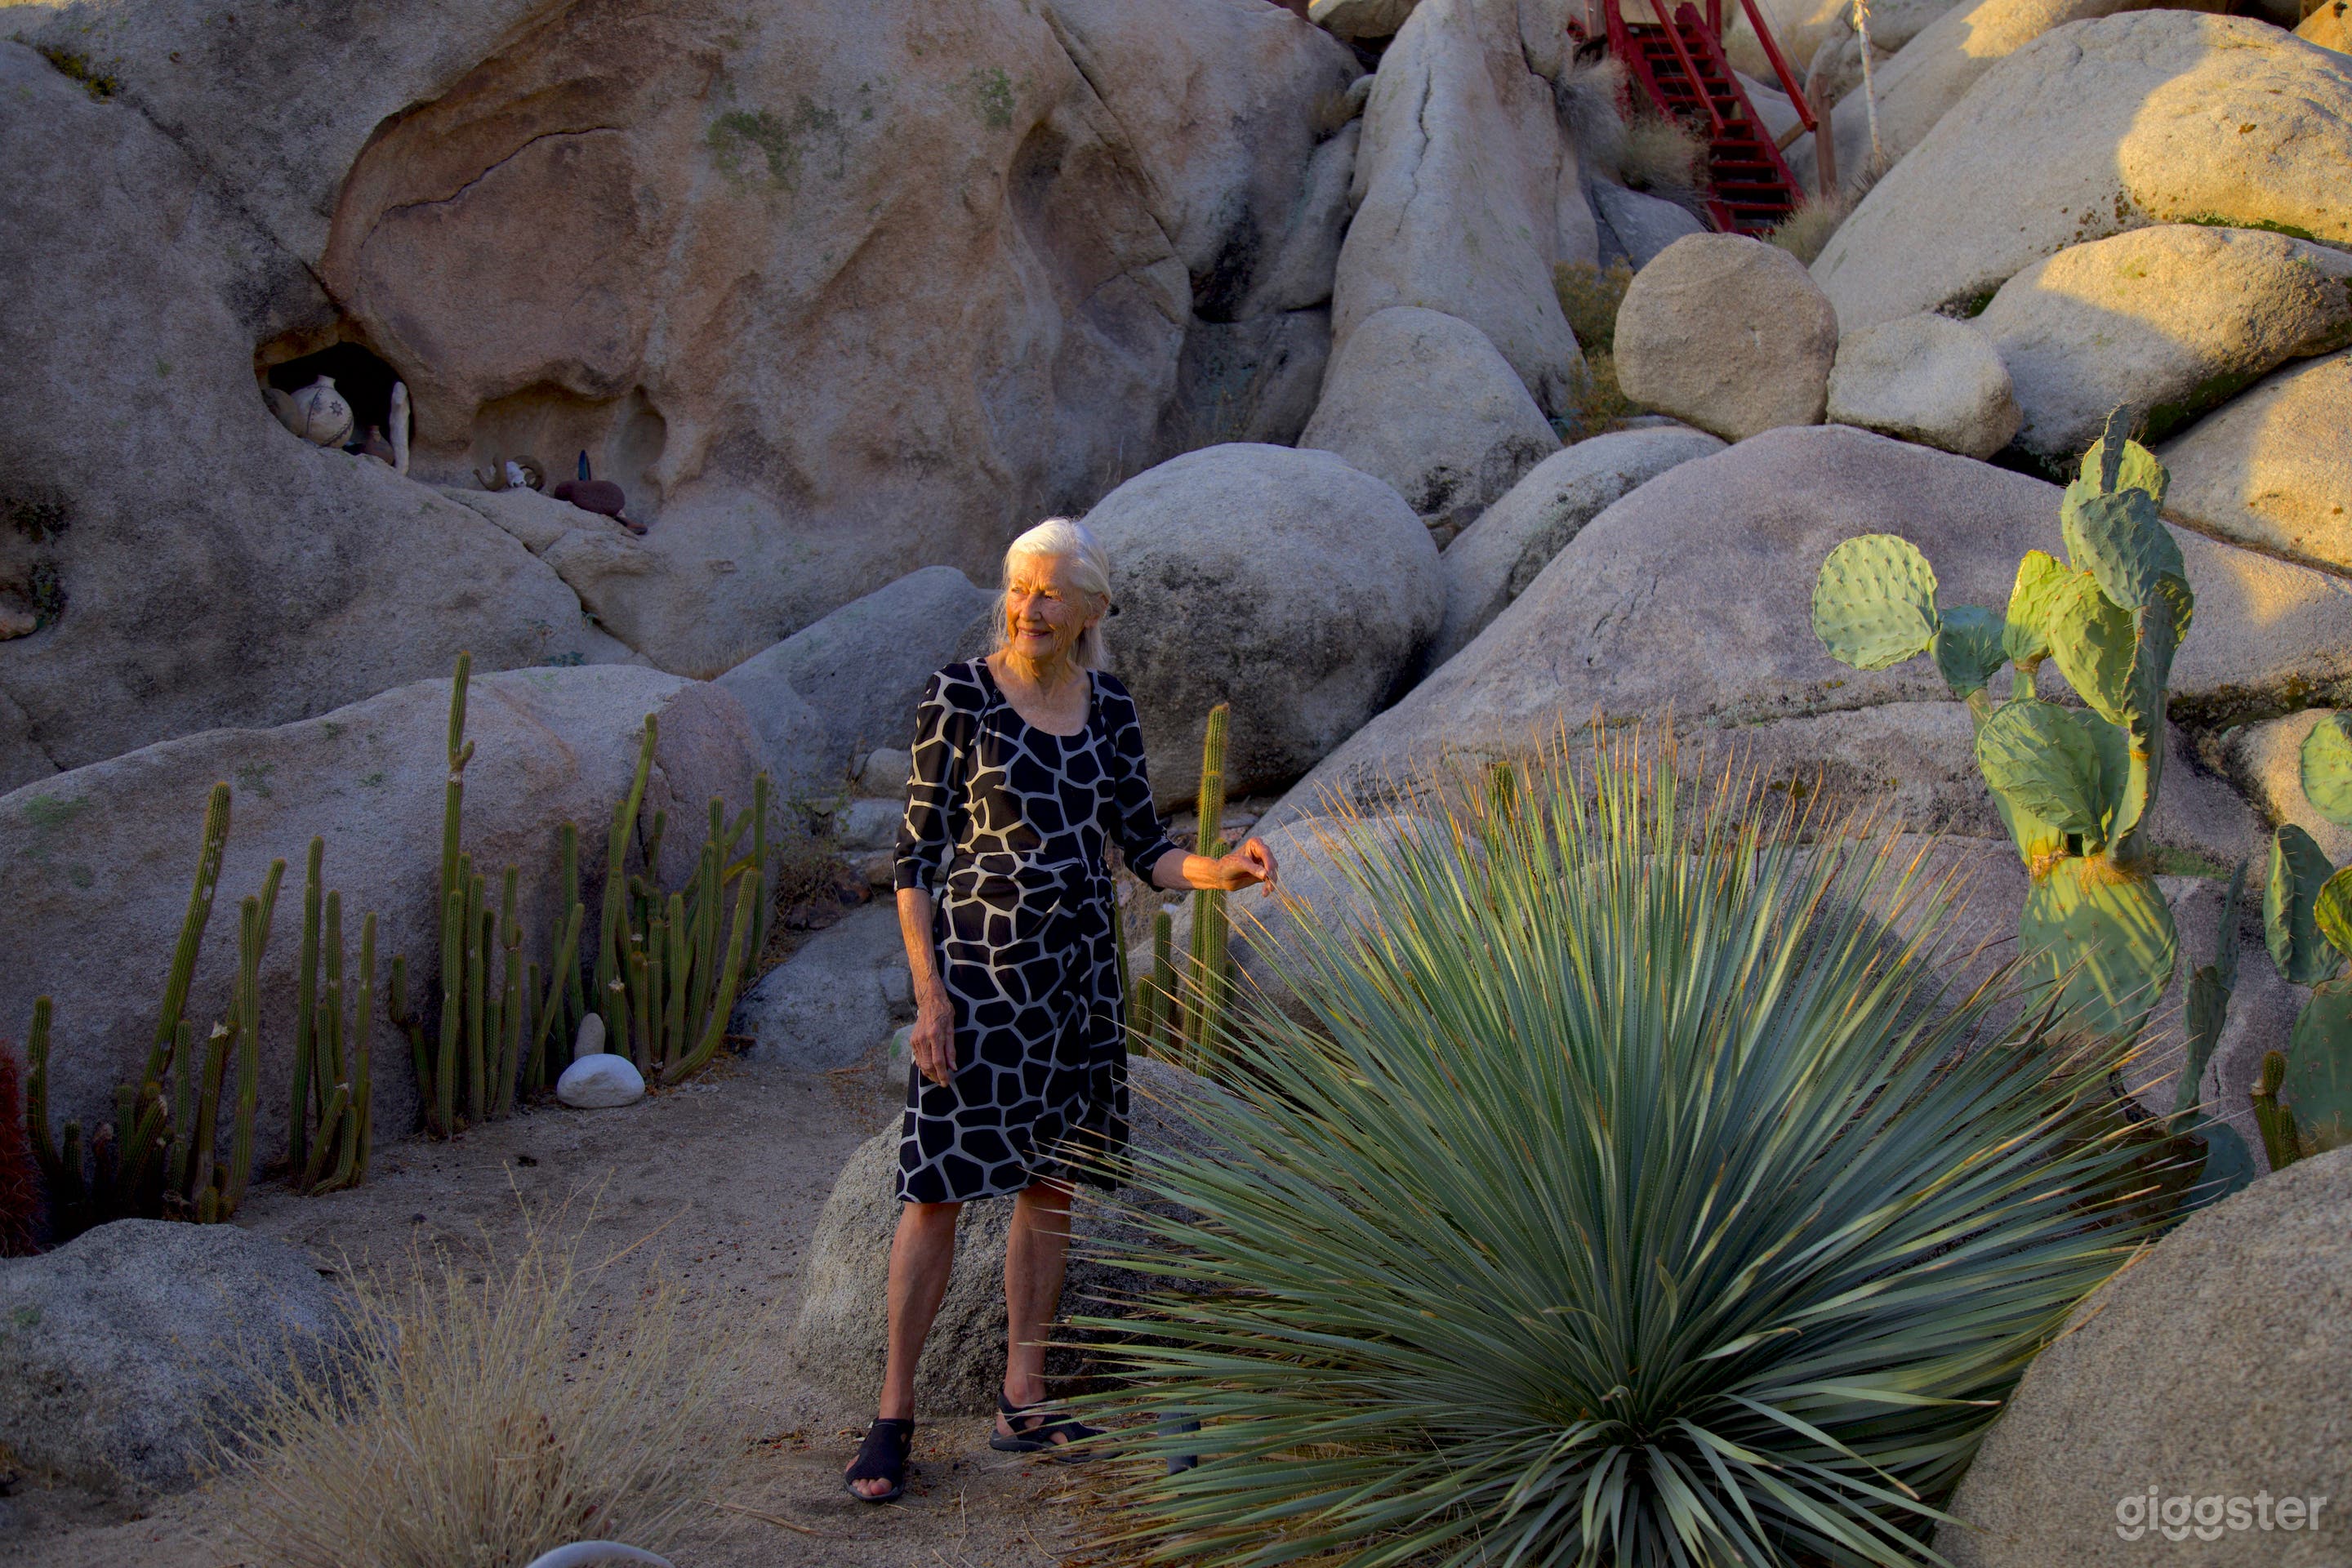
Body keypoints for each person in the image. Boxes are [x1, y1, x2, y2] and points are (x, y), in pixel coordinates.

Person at [844, 517, 1277, 1503]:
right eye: (1018, 588)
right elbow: (914, 860)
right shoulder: (960, 696)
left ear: (1088, 610)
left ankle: (1023, 1399)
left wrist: (1221, 870)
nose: (1029, 608)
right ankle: (893, 1414)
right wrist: (929, 996)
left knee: (1052, 1189)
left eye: (1049, 593)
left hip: (1078, 987)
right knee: (936, 1192)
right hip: (979, 986)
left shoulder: (1112, 706)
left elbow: (1143, 844)